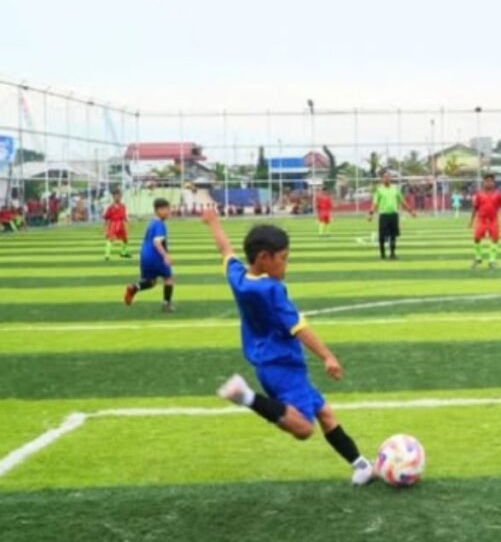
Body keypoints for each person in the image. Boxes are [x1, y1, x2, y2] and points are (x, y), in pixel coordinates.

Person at [201, 208, 374, 485]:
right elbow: (299, 327)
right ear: (264, 258)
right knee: (304, 429)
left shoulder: (239, 277)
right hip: (284, 367)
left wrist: (213, 222)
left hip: (267, 363)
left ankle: (361, 464)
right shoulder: (271, 290)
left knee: (325, 414)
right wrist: (327, 356)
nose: (286, 265)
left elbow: (225, 250)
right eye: (283, 259)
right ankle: (246, 397)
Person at [124, 198, 175, 313]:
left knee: (151, 282)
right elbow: (157, 242)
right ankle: (166, 304)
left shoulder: (151, 223)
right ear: (159, 210)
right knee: (168, 278)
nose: (168, 212)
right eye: (167, 209)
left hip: (145, 256)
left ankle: (134, 287)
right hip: (156, 256)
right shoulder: (159, 225)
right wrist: (165, 255)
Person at [469, 173, 501, 269]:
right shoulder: (479, 195)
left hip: (493, 220)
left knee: (495, 239)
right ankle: (478, 258)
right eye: (487, 181)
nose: (489, 183)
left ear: (494, 183)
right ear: (483, 183)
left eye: (491, 181)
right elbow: (475, 208)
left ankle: (492, 260)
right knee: (476, 238)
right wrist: (471, 221)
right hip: (481, 220)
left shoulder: (498, 194)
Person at [368, 171, 416, 260]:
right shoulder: (379, 190)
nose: (386, 179)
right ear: (382, 179)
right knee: (382, 236)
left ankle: (392, 253)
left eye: (388, 177)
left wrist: (411, 211)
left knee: (393, 235)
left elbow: (402, 202)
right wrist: (371, 214)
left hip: (394, 215)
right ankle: (382, 254)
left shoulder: (395, 189)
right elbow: (374, 203)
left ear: (390, 179)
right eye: (385, 177)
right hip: (383, 215)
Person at [103, 190, 131, 260]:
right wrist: (105, 227)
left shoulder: (123, 206)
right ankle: (107, 255)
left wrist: (128, 221)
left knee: (125, 239)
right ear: (113, 197)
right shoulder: (110, 207)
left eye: (119, 196)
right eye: (116, 196)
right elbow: (106, 217)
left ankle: (123, 252)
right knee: (110, 239)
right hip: (113, 224)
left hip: (121, 224)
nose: (118, 197)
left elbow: (124, 216)